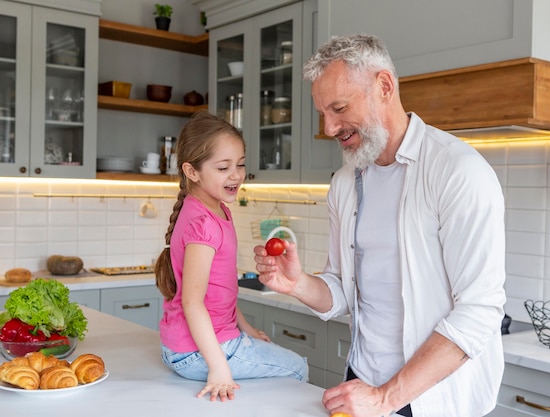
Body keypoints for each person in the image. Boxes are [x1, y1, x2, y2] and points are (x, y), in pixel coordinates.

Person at [254, 34, 506, 417]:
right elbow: (342, 289)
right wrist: (299, 284)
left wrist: (387, 398)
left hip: (431, 400)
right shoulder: (345, 182)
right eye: (323, 112)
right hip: (362, 386)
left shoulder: (457, 171)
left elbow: (479, 310)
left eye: (338, 108)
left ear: (384, 86)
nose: (329, 127)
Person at [155, 112, 308, 402]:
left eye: (240, 165)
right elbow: (192, 301)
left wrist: (246, 329)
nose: (236, 175)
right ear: (192, 171)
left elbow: (218, 292)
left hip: (186, 346)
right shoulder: (204, 224)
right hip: (195, 352)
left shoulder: (214, 210)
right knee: (297, 368)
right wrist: (219, 368)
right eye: (224, 167)